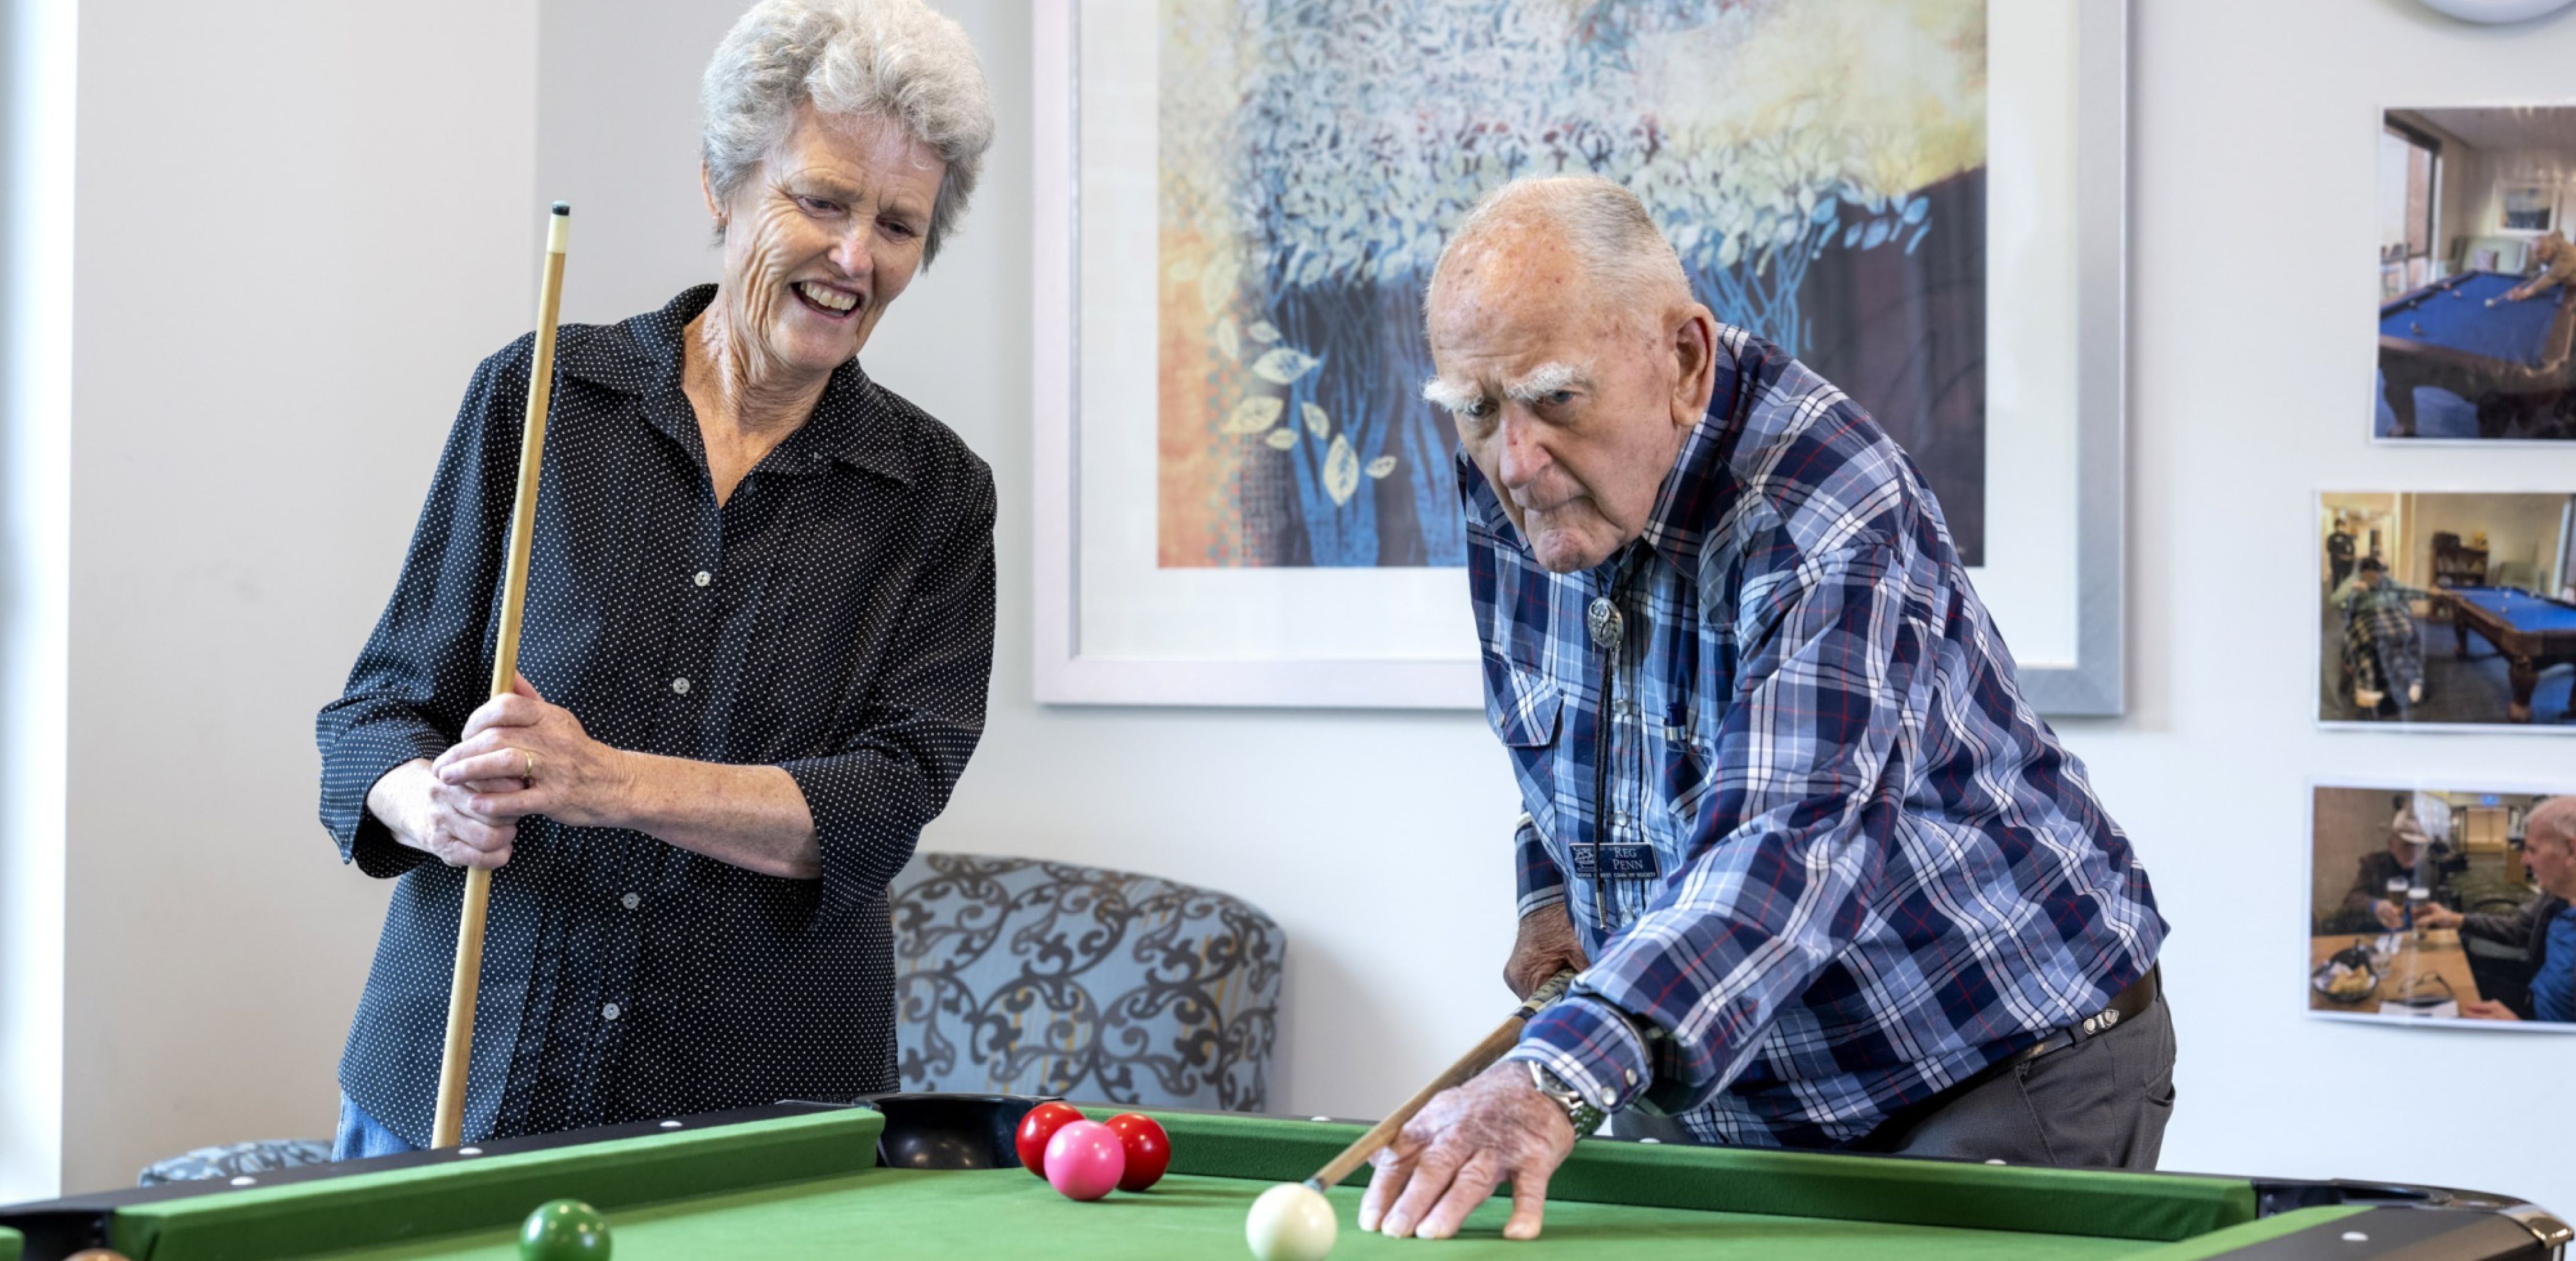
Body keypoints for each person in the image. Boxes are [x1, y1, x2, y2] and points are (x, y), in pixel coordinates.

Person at [1362, 176, 2171, 1244]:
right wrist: (1550, 894)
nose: (1513, 457)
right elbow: (1554, 731)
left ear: (1684, 360)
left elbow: (1781, 848)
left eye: (1555, 399)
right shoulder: (1520, 459)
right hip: (1742, 1089)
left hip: (1991, 1065)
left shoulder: (1824, 514)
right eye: (1473, 409)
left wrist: (1549, 1077)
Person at [314, 0, 997, 1157]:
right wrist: (428, 802)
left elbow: (880, 805)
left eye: (898, 224)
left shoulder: (935, 494)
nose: (854, 257)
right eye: (821, 201)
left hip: (751, 1115)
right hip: (458, 1078)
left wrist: (601, 781)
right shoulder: (538, 396)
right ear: (721, 187)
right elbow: (375, 715)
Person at [2416, 797, 2576, 1023]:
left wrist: (2520, 1029)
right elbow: (2518, 929)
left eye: (2532, 850)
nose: (2524, 861)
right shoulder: (2555, 897)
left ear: (2572, 851)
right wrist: (2455, 919)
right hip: (2532, 999)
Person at [2330, 558, 2425, 711]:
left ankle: (2413, 681)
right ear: (2363, 572)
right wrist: (2354, 586)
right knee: (2369, 640)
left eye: (2378, 573)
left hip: (2392, 613)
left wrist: (2415, 603)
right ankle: (2366, 688)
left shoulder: (2389, 582)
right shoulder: (2355, 581)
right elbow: (2335, 600)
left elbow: (2407, 593)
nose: (2376, 577)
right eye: (2372, 573)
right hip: (2366, 615)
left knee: (2409, 634)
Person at [2331, 797, 2438, 934]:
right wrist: (2376, 906)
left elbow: (2433, 913)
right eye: (2406, 845)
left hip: (2416, 938)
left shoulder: (2428, 871)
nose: (2412, 852)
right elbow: (2351, 901)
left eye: (2417, 846)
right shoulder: (2373, 864)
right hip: (2380, 938)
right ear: (2391, 845)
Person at [2505, 231, 2576, 303]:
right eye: (2535, 253)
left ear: (2550, 250)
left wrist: (2525, 293)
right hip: (2564, 280)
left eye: (2539, 253)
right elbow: (2559, 232)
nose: (2535, 257)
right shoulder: (2550, 244)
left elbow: (2551, 277)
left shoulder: (2567, 256)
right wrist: (2529, 282)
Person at [2326, 525, 2357, 591]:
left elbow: (2352, 548)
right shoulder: (2332, 538)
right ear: (2336, 527)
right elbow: (2329, 548)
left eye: (2343, 526)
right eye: (2339, 526)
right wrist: (2340, 555)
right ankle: (2335, 595)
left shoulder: (2348, 537)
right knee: (2336, 580)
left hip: (2348, 563)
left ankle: (2345, 597)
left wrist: (2352, 556)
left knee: (2347, 580)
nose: (2341, 528)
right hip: (2337, 563)